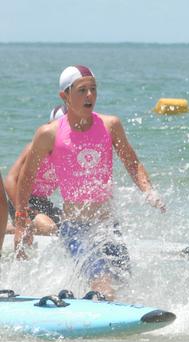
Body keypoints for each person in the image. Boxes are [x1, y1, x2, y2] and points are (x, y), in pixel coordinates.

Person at [13, 65, 166, 299]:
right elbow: (26, 177)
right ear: (65, 96)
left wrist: (149, 191)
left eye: (93, 89)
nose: (90, 96)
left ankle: (89, 308)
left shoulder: (110, 125)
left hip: (108, 225)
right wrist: (22, 221)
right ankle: (100, 307)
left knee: (121, 281)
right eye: (82, 90)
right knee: (101, 281)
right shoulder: (48, 134)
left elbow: (132, 163)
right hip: (75, 227)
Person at [5, 106, 66, 237]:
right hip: (22, 199)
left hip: (43, 202)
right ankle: (9, 229)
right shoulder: (35, 149)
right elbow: (10, 180)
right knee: (49, 229)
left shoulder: (69, 155)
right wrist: (21, 211)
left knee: (69, 226)